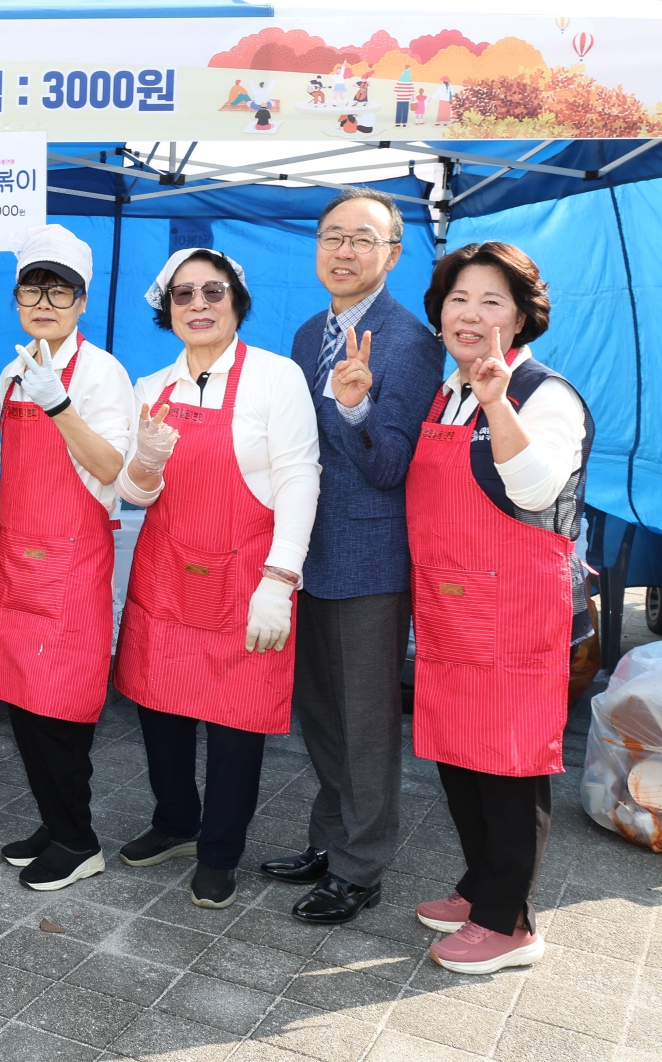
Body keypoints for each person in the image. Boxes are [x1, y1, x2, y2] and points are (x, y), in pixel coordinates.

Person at [114, 250, 321, 909]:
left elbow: (298, 476)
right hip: (168, 571)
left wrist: (279, 578)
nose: (198, 305)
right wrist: (144, 464)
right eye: (183, 295)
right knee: (158, 707)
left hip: (246, 576)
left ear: (236, 301)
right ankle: (176, 821)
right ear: (166, 309)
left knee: (236, 721)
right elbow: (133, 494)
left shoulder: (274, 377)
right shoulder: (151, 388)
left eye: (213, 291)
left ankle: (219, 850)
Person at [409, 242, 591, 974]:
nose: (471, 315)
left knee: (510, 761)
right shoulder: (445, 389)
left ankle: (510, 922)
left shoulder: (546, 394)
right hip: (452, 607)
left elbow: (539, 488)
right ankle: (481, 883)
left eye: (491, 301)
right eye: (459, 299)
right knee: (459, 753)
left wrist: (495, 402)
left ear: (519, 316)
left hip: (513, 610)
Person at [272, 188, 444, 925]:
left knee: (366, 719)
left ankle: (361, 867)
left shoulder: (407, 341)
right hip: (305, 550)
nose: (343, 251)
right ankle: (330, 838)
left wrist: (353, 407)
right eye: (332, 236)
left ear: (393, 255)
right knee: (319, 710)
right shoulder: (312, 330)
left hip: (369, 554)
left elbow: (390, 466)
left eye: (362, 240)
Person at [0, 224, 135, 891]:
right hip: (19, 557)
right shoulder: (11, 371)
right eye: (32, 289)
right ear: (17, 299)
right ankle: (54, 821)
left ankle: (79, 839)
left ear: (82, 301)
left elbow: (113, 466)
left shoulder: (102, 372)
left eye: (60, 290)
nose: (44, 302)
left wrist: (61, 404)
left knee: (62, 707)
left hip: (71, 564)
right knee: (23, 701)